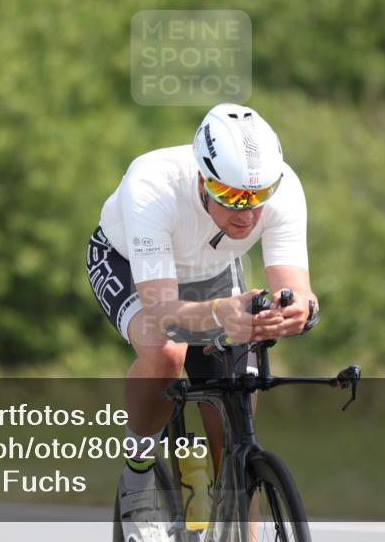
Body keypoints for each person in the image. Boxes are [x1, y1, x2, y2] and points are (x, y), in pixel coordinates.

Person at [86, 103, 318, 541]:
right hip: (128, 263)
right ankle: (138, 472)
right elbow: (162, 313)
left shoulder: (284, 189)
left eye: (257, 198)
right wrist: (221, 314)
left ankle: (231, 513)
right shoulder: (151, 185)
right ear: (201, 179)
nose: (247, 214)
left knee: (237, 395)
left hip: (211, 272)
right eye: (232, 198)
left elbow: (297, 288)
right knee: (165, 350)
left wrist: (299, 310)